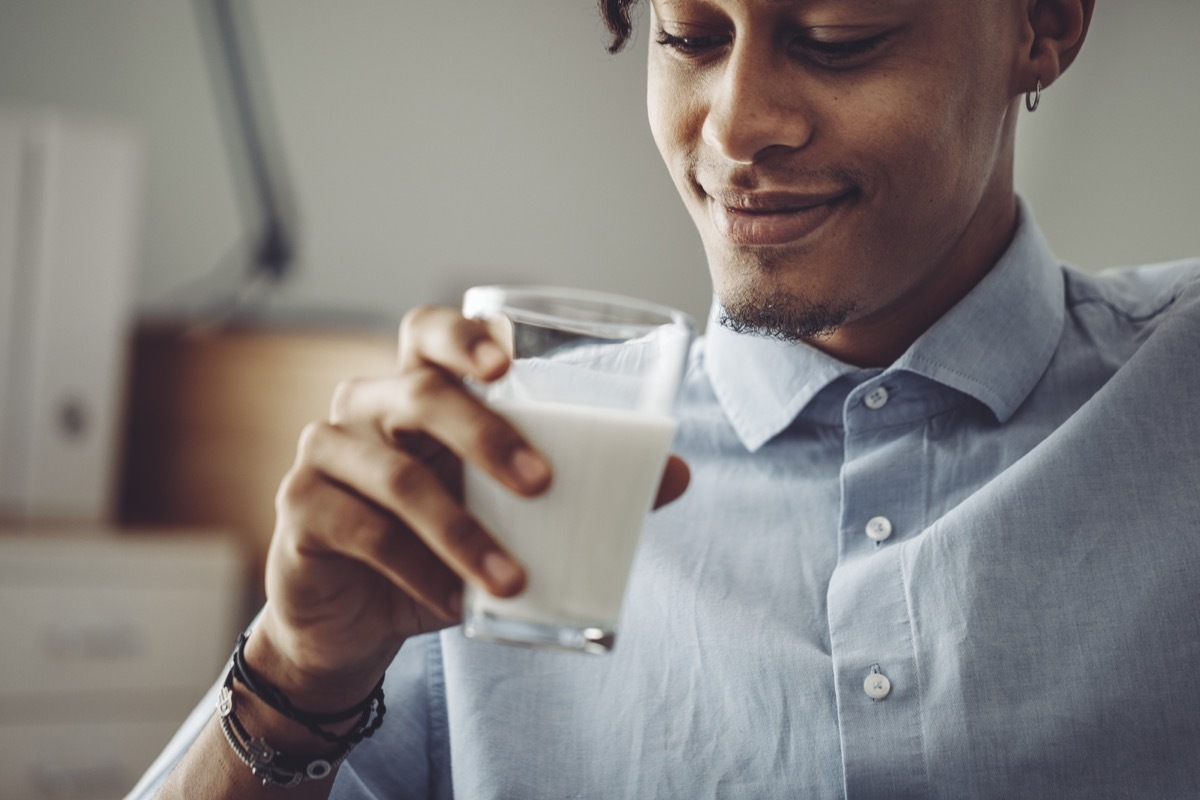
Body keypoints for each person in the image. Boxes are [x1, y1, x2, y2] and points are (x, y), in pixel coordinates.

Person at [130, 0, 1200, 797]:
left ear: (1047, 23)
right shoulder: (481, 478)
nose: (735, 130)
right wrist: (298, 673)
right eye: (690, 35)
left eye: (838, 37)